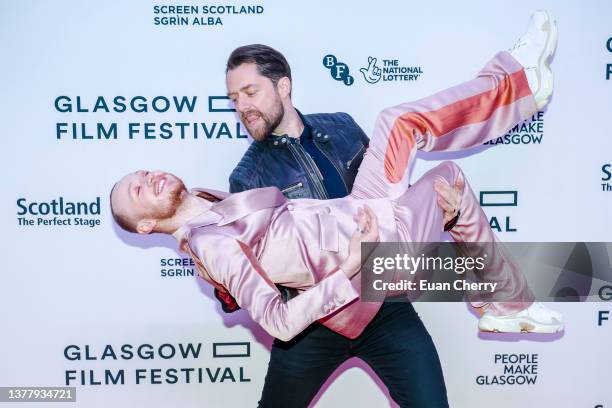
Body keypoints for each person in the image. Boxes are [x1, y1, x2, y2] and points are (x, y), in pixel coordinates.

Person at [110, 11, 562, 407]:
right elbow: (249, 292)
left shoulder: (339, 129)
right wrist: (345, 264)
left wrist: (428, 211)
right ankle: (519, 83)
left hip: (382, 290)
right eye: (234, 100)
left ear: (282, 86)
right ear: (147, 223)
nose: (242, 107)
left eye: (250, 93)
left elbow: (384, 189)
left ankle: (519, 83)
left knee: (430, 163)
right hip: (319, 323)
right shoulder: (244, 178)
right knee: (430, 161)